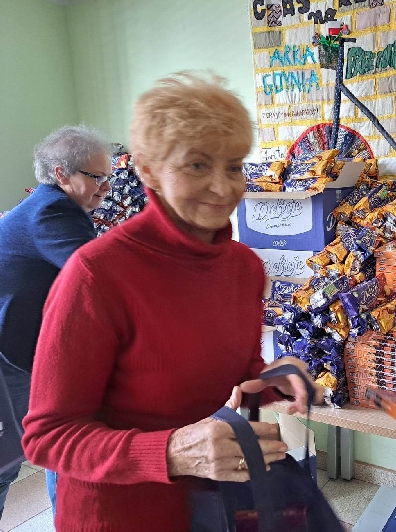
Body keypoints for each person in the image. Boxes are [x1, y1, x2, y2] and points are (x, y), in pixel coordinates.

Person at [22, 72, 323, 531]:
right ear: (146, 169)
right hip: (118, 517)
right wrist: (171, 452)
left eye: (234, 166)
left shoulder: (242, 267)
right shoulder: (97, 275)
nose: (223, 188)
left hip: (215, 509)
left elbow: (231, 373)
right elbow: (49, 437)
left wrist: (273, 379)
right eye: (197, 166)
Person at [0, 125, 113, 519]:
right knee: (11, 459)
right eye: (97, 177)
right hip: (11, 352)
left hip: (30, 346)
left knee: (56, 439)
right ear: (62, 174)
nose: (106, 187)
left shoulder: (52, 206)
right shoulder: (53, 210)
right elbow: (100, 275)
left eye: (109, 177)